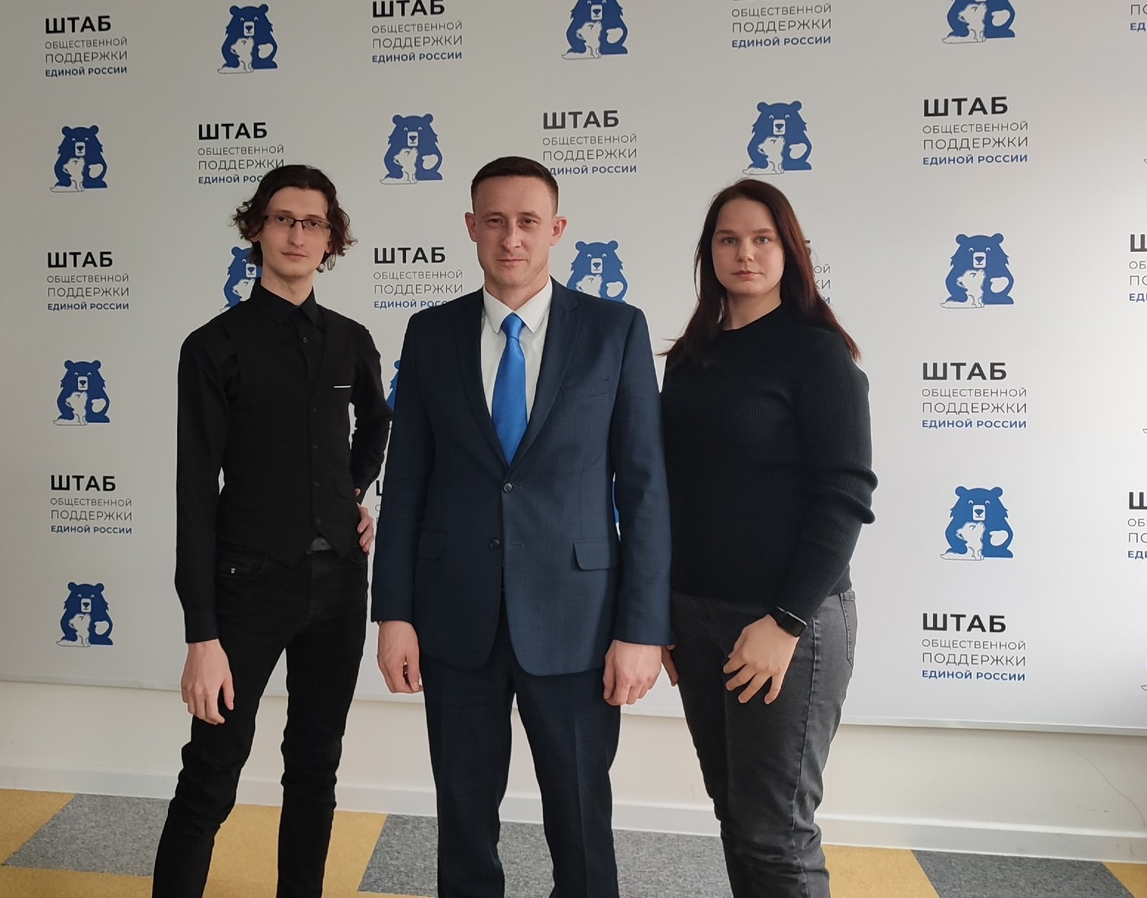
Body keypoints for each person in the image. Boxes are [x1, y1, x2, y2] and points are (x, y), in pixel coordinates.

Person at [371, 156, 671, 898]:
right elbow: (405, 484)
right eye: (495, 221)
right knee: (463, 824)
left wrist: (642, 629)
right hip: (454, 619)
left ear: (556, 229)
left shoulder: (615, 331)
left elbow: (644, 488)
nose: (512, 238)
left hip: (578, 622)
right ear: (471, 227)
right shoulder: (430, 333)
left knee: (581, 825)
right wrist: (394, 614)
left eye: (528, 221)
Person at [153, 165, 391, 898]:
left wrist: (350, 492)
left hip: (339, 586)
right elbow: (196, 495)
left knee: (316, 767)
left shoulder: (351, 340)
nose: (297, 234)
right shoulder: (213, 346)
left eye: (313, 222)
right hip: (246, 588)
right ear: (257, 228)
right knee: (212, 773)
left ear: (331, 240)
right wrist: (201, 635)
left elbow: (376, 424)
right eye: (283, 218)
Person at [660, 179, 876, 898]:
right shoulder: (688, 358)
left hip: (787, 622)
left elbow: (844, 497)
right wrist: (663, 611)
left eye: (762, 239)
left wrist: (784, 621)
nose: (745, 253)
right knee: (736, 814)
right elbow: (673, 492)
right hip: (696, 617)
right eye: (728, 239)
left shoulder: (818, 356)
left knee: (775, 833)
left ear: (790, 251)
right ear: (708, 253)